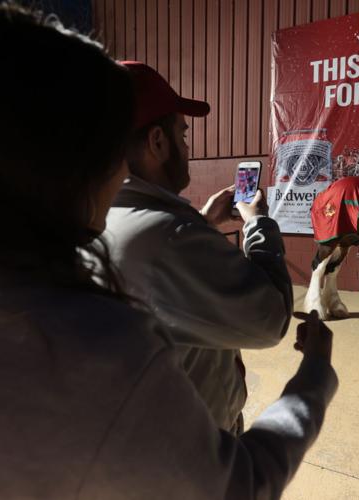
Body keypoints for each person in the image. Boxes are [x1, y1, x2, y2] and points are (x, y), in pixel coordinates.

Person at [0, 6, 337, 499]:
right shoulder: (94, 348)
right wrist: (314, 377)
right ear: (63, 157)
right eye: (105, 147)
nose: (119, 174)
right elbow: (240, 483)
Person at [105, 61, 292, 433]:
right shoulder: (170, 238)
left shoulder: (99, 217)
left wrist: (203, 224)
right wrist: (258, 224)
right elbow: (270, 318)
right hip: (194, 452)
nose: (187, 147)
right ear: (158, 142)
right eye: (182, 134)